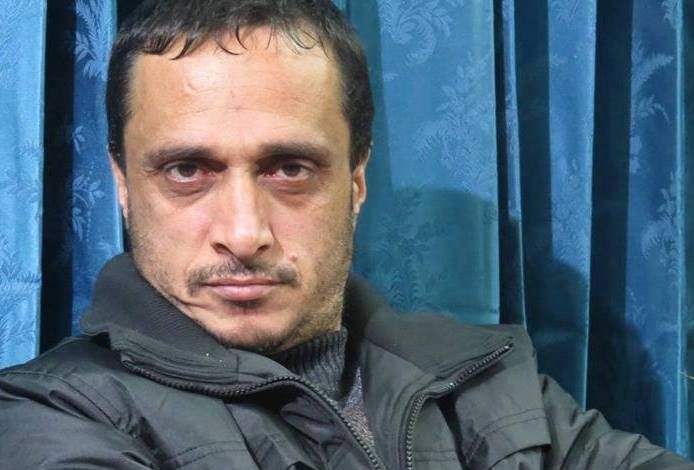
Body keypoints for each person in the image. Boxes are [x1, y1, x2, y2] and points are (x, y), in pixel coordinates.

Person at [0, 1, 691, 468]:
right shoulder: (51, 418)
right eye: (187, 170)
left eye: (289, 169)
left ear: (357, 181)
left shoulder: (483, 380)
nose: (243, 232)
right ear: (124, 186)